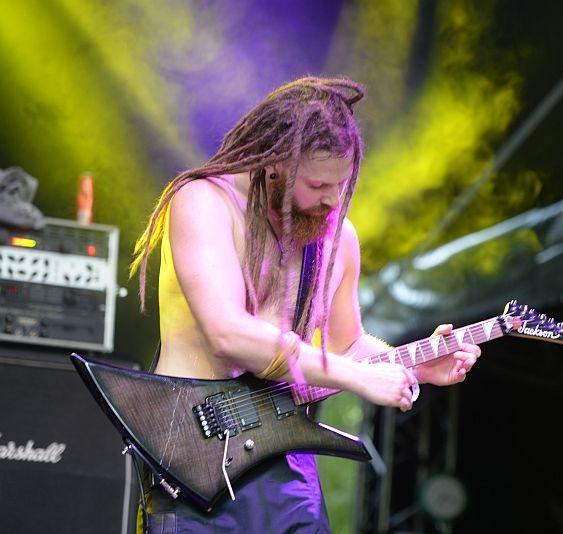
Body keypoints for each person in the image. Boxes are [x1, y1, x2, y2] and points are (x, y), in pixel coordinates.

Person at [130, 76, 481, 533]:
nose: (332, 200)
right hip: (194, 454)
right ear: (275, 164)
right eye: (317, 184)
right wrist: (357, 376)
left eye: (342, 185)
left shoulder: (338, 236)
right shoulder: (205, 202)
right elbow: (227, 334)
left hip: (285, 458)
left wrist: (411, 362)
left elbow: (345, 347)